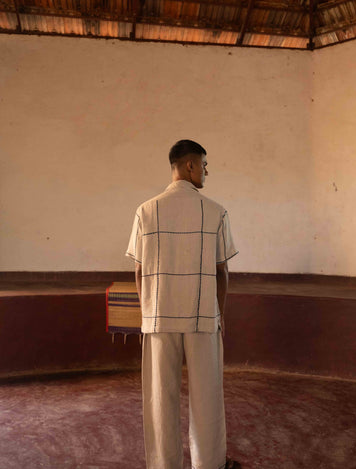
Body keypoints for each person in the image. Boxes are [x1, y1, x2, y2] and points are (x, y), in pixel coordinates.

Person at [126, 140, 240, 469]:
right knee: (207, 397)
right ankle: (210, 463)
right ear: (189, 166)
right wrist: (219, 314)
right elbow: (222, 271)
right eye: (204, 164)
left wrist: (148, 312)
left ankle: (164, 464)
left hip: (159, 319)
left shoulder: (145, 211)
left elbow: (139, 270)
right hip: (203, 317)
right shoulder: (216, 211)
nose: (207, 171)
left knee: (160, 399)